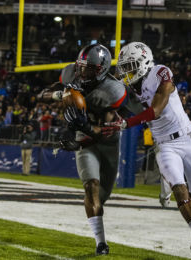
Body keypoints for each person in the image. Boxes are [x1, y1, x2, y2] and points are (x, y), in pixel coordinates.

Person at [109, 42, 191, 258]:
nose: (127, 72)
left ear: (144, 62)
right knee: (182, 193)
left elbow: (156, 110)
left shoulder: (160, 72)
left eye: (130, 66)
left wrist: (126, 124)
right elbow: (117, 102)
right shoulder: (130, 88)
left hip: (187, 139)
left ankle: (166, 181)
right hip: (165, 145)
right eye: (125, 68)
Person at [38, 44, 139, 255]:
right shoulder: (71, 75)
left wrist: (83, 127)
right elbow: (42, 95)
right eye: (81, 66)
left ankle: (95, 217)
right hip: (85, 139)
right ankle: (101, 242)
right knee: (91, 186)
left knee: (102, 195)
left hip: (107, 140)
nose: (83, 72)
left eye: (89, 68)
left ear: (101, 69)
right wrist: (61, 95)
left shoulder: (113, 90)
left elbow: (103, 131)